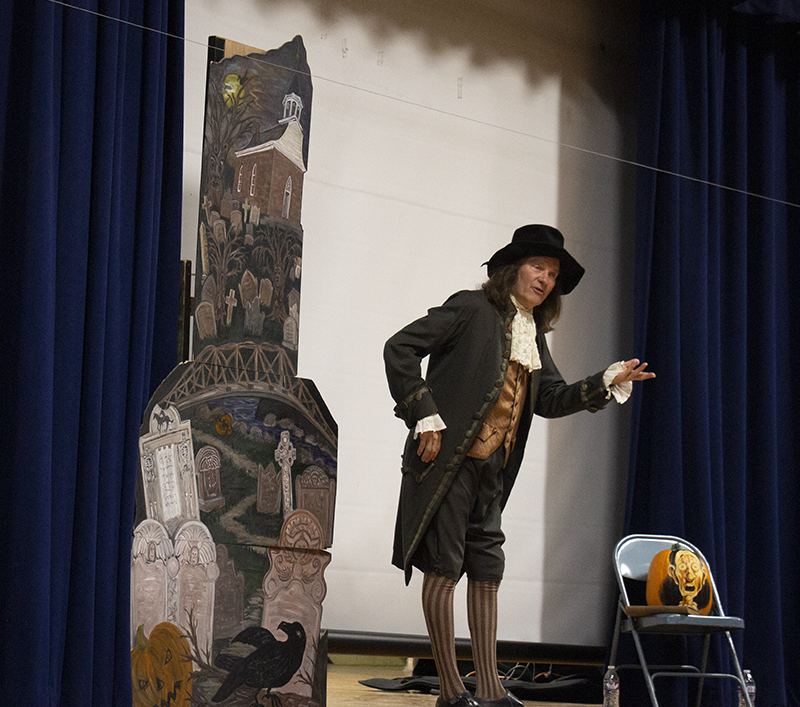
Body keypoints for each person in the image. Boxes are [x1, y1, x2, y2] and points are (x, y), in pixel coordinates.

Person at [383, 224, 655, 707]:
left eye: (552, 274)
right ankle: (450, 689)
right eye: (538, 268)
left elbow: (549, 398)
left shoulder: (532, 333)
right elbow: (399, 347)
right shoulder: (471, 308)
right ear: (513, 268)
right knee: (444, 569)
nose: (546, 279)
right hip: (449, 465)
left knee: (487, 567)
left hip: (493, 473)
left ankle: (490, 688)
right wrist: (423, 412)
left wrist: (604, 381)